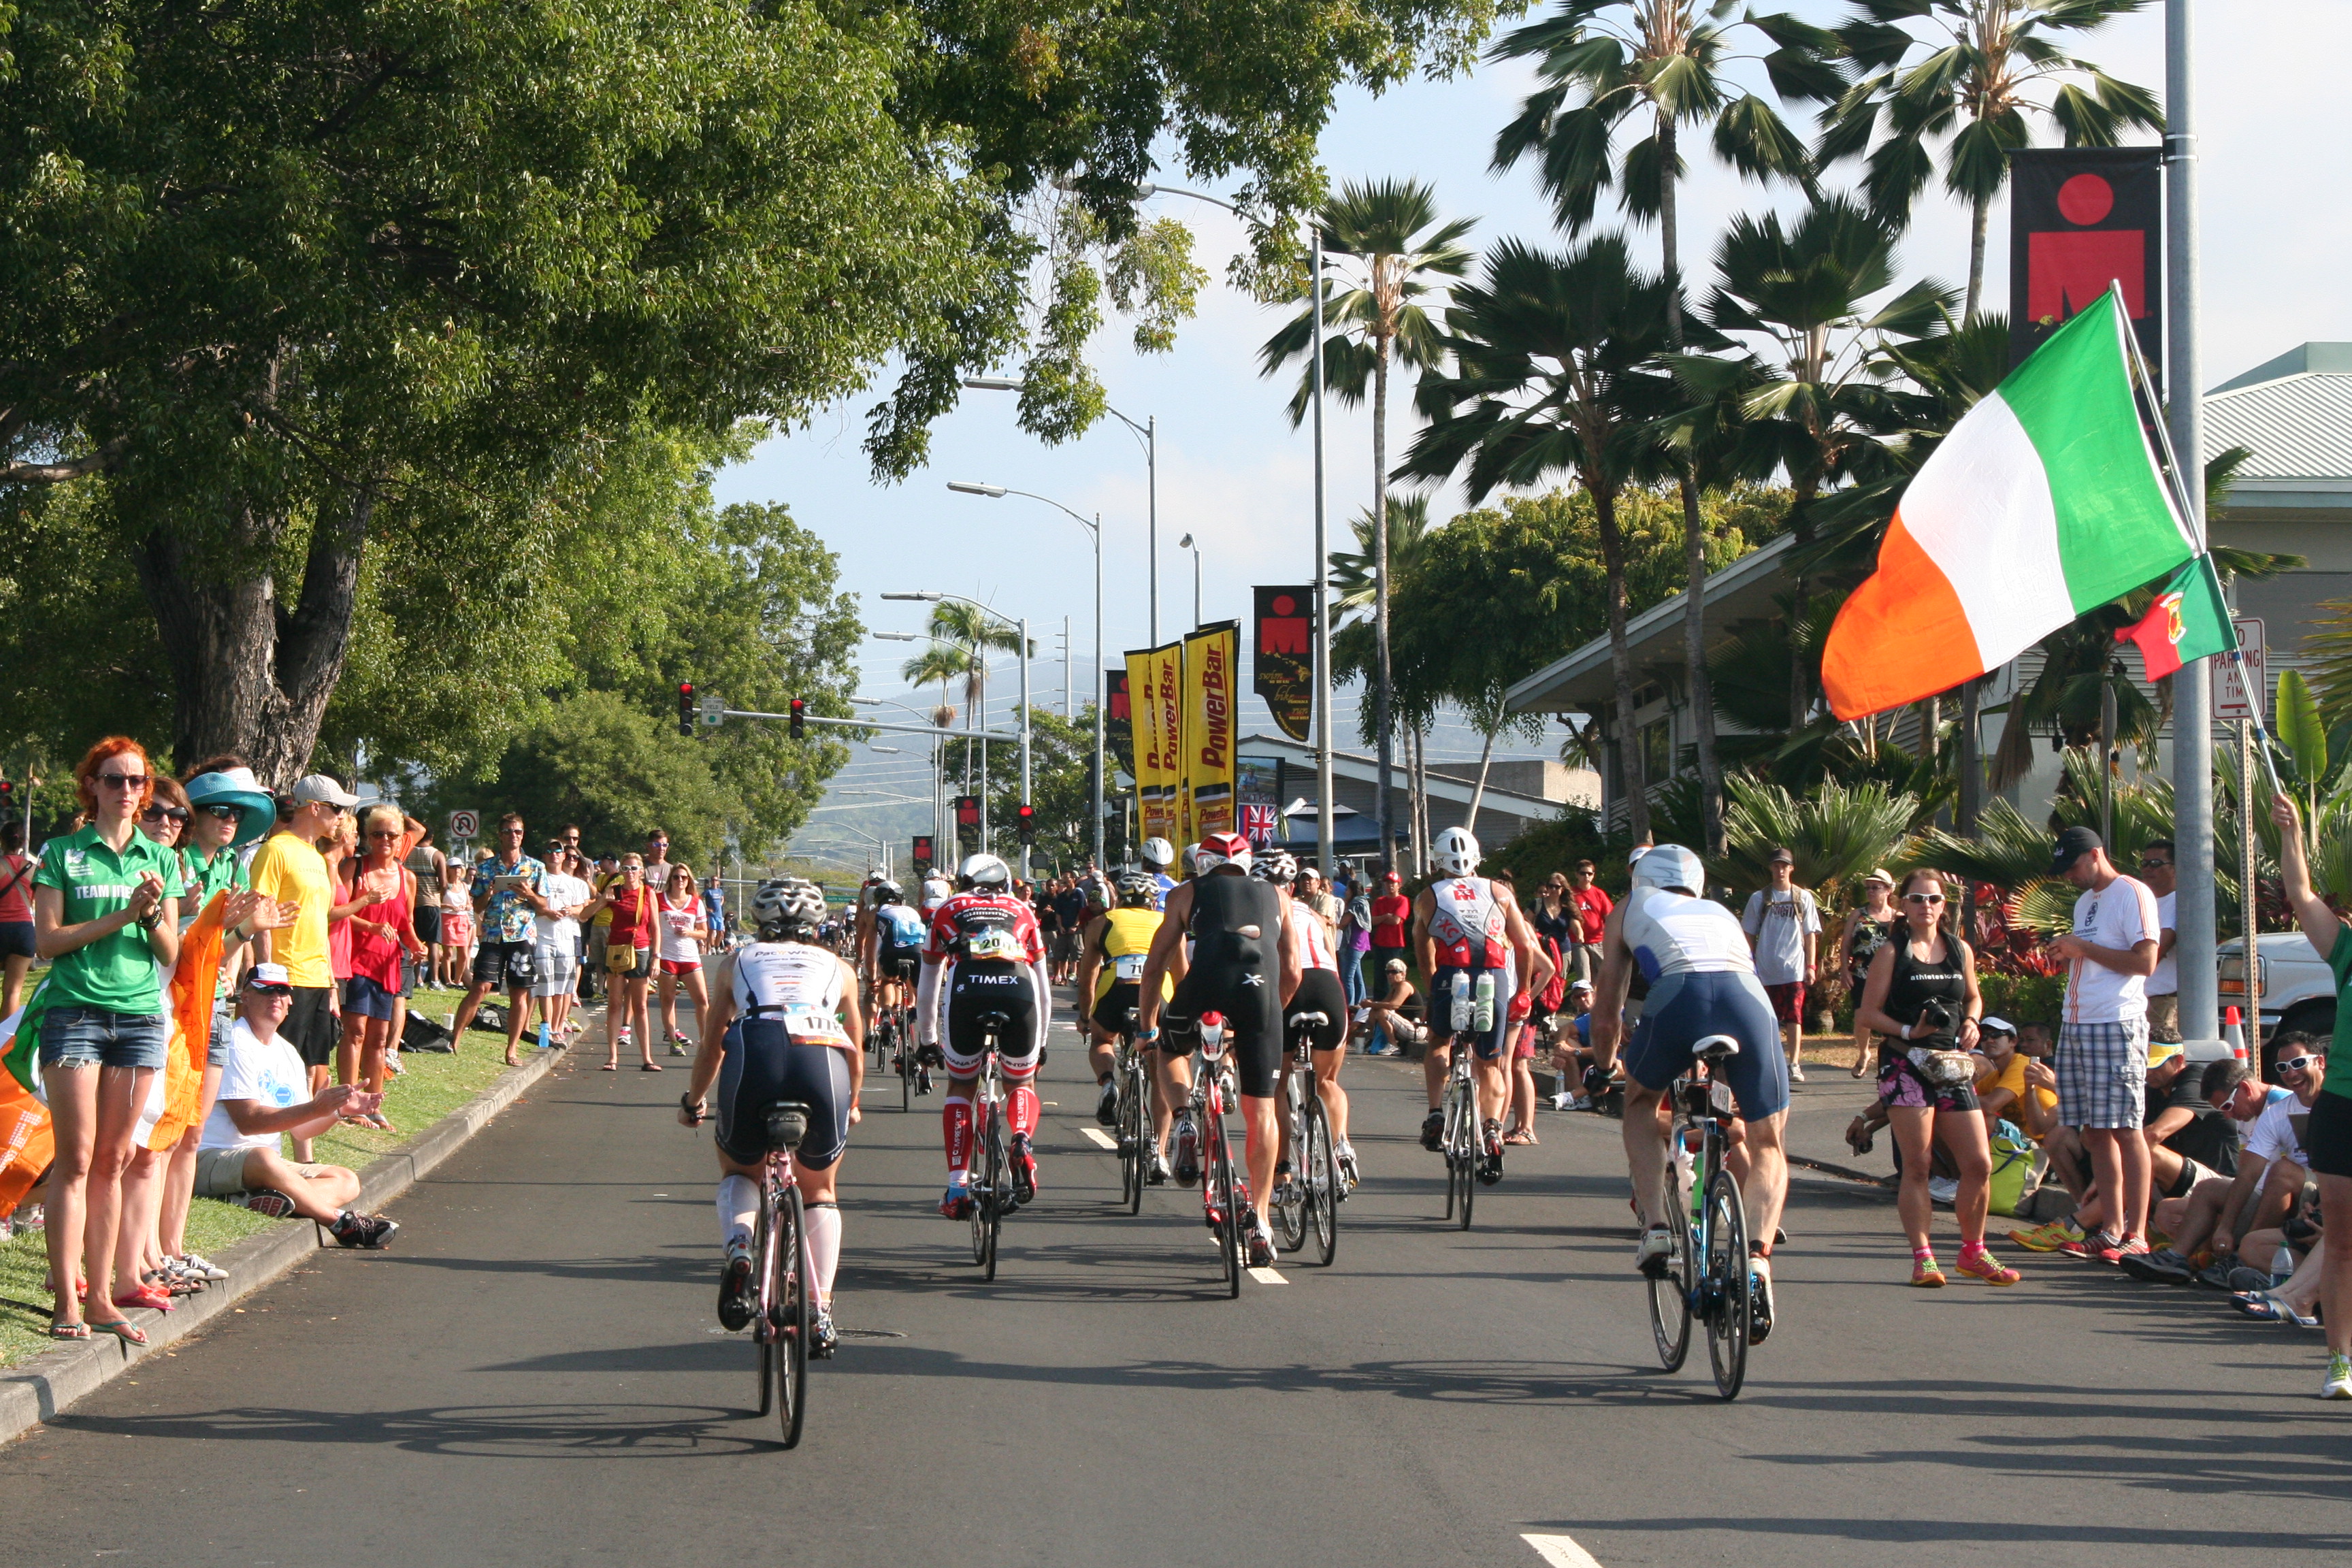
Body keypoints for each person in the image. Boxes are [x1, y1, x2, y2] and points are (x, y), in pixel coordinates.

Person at [1578, 843, 1790, 1340]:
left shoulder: (1629, 908)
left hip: (1679, 997)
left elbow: (1608, 1003)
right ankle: (1757, 1263)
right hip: (1748, 1003)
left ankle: (1654, 1227)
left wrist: (1606, 1066)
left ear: (1641, 879)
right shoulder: (1719, 911)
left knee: (1640, 1103)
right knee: (1768, 1143)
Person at [31, 737, 184, 1344]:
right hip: (76, 1015)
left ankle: (101, 1295)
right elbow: (47, 941)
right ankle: (67, 1297)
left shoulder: (160, 859)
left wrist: (150, 917)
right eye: (115, 780)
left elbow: (169, 950)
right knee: (75, 1159)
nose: (128, 791)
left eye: (138, 782)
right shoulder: (63, 854)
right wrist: (124, 915)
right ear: (91, 785)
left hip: (141, 1016)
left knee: (115, 1161)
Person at [681, 878, 863, 1359]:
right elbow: (857, 1049)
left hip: (754, 1049)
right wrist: (855, 1102)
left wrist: (693, 1101)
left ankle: (740, 1247)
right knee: (819, 1191)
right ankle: (819, 1309)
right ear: (816, 924)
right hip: (821, 1058)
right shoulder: (840, 968)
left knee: (740, 1168)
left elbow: (710, 1045)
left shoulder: (736, 961)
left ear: (760, 923)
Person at [157, 762, 290, 1288]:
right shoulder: (176, 864)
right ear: (196, 817)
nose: (229, 820)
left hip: (214, 1004)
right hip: (175, 1006)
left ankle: (173, 1247)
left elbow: (222, 950)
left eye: (237, 813)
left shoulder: (230, 870)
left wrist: (246, 936)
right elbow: (182, 951)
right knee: (160, 1138)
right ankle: (150, 1255)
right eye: (218, 811)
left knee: (190, 1135)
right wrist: (224, 931)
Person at [1855, 869, 2019, 1288]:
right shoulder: (1893, 951)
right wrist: (1911, 1032)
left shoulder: (1959, 949)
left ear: (1944, 905)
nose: (1925, 907)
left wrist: (1972, 1021)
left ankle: (1973, 1251)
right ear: (1903, 905)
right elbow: (1867, 1014)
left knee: (1979, 1164)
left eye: (1933, 900)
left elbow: (1974, 996)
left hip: (1950, 1066)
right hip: (1905, 1063)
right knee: (1918, 1166)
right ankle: (1924, 1257)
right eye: (1916, 899)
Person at [1137, 832, 1292, 1267]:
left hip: (1204, 986)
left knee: (1170, 1051)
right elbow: (1293, 968)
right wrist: (1263, 1022)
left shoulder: (1187, 892)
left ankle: (1185, 1118)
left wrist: (1147, 1026)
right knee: (1261, 1109)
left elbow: (1157, 964)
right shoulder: (1277, 895)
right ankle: (1261, 1220)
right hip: (1260, 995)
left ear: (1201, 863)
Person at [194, 964, 397, 1247]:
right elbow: (249, 1122)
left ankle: (259, 1200)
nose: (275, 997)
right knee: (264, 1156)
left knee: (346, 1179)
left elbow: (302, 1130)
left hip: (267, 1167)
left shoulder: (288, 1052)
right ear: (245, 998)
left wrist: (339, 1110)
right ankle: (339, 1222)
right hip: (212, 1158)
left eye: (282, 991)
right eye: (265, 990)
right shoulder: (235, 1042)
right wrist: (317, 1107)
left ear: (290, 1001)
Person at [2264, 792, 2352, 1399]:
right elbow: (2302, 895)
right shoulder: (2347, 949)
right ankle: (2341, 1361)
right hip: (2344, 1106)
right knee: (2343, 1241)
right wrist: (2292, 835)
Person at [2048, 824, 2161, 1265]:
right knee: (2095, 1132)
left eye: (2073, 865)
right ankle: (2110, 1229)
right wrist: (2068, 953)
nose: (2069, 876)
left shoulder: (2132, 892)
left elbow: (2145, 961)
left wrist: (2083, 950)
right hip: (2077, 1022)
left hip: (2116, 1022)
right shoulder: (2085, 901)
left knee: (2125, 1128)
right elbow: (2091, 954)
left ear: (2095, 855)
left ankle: (2137, 1233)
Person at [1411, 828, 1548, 1185]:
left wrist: (1431, 990)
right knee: (1491, 1062)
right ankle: (1491, 1128)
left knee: (1440, 1042)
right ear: (1477, 857)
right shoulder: (1500, 891)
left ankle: (1436, 1112)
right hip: (1494, 977)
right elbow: (1525, 946)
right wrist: (1522, 992)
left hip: (1450, 974)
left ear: (1438, 860)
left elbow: (1423, 951)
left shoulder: (1428, 896)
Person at [917, 853, 1050, 1220]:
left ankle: (958, 1186)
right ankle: (1021, 1137)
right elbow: (1042, 985)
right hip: (1018, 989)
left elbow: (928, 983)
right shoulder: (1022, 910)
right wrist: (1040, 1043)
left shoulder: (946, 909)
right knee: (1021, 1081)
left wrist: (926, 1039)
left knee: (961, 1086)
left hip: (966, 991)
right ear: (1006, 882)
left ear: (961, 882)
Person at [248, 774, 360, 1163]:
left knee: (307, 1071)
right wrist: (267, 975)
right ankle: (268, 1152)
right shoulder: (275, 850)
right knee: (280, 1068)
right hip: (286, 975)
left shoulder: (316, 857)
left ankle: (305, 1160)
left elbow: (318, 922)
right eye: (337, 809)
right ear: (314, 808)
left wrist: (330, 983)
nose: (340, 818)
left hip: (316, 975)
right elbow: (261, 913)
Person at [1076, 870, 1175, 1179]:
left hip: (1115, 987)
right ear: (1153, 900)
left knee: (1102, 1040)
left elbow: (1086, 976)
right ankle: (1159, 1151)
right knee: (1161, 1071)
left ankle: (1107, 1082)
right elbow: (1184, 974)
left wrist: (1084, 1015)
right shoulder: (1166, 921)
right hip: (1159, 992)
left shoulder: (1101, 922)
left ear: (1117, 897)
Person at [1269, 849, 1358, 1195]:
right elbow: (1333, 960)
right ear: (1292, 887)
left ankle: (1282, 1171)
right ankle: (1342, 1146)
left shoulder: (1261, 911)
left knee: (1276, 1085)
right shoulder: (1313, 912)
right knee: (1329, 1081)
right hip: (1327, 987)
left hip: (1290, 987)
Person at [336, 804, 425, 1114]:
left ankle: (372, 1104)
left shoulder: (407, 877)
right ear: (367, 837)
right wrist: (372, 927)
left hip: (388, 963)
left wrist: (416, 945)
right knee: (356, 1031)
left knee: (379, 1037)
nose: (385, 840)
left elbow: (406, 923)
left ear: (402, 839)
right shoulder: (354, 868)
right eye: (378, 834)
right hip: (357, 960)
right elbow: (339, 914)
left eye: (392, 834)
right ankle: (348, 1101)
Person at [451, 814, 549, 1066]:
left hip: (521, 935)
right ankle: (454, 1040)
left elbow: (544, 905)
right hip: (494, 934)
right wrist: (491, 891)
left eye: (517, 831)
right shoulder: (486, 868)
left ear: (523, 834)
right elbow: (477, 905)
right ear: (500, 835)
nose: (513, 836)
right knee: (480, 987)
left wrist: (528, 894)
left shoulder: (535, 867)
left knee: (519, 993)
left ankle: (512, 1049)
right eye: (507, 831)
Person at [1740, 848, 1820, 1085]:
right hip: (1766, 970)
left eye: (1784, 866)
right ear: (1771, 868)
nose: (1780, 870)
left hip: (1794, 968)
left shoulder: (1803, 897)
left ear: (1791, 869)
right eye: (1776, 866)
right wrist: (1749, 962)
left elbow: (1810, 934)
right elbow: (1749, 933)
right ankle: (1772, 1062)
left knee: (1795, 1016)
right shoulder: (1759, 898)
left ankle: (1794, 1063)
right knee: (1769, 1019)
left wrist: (1811, 966)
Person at [581, 853, 660, 1071]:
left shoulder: (648, 893)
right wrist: (603, 899)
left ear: (641, 871)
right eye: (625, 869)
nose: (630, 873)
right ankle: (613, 1057)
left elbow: (655, 927)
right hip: (616, 950)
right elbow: (584, 915)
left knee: (640, 1005)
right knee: (615, 1003)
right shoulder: (615, 892)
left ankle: (647, 1058)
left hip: (641, 949)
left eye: (634, 869)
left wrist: (657, 957)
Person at [1837, 869, 1899, 1079]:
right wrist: (1845, 969)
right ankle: (1864, 1052)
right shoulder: (1858, 914)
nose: (1871, 891)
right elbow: (1846, 945)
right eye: (1868, 888)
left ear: (1888, 890)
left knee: (1890, 1017)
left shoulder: (1899, 917)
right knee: (1861, 1017)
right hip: (1862, 974)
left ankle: (1888, 1058)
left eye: (1876, 887)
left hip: (1891, 976)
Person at [532, 844, 593, 1047]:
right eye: (549, 852)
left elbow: (583, 911)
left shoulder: (575, 883)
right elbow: (530, 904)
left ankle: (558, 1026)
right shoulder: (537, 878)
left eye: (557, 852)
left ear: (564, 856)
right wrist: (546, 911)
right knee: (545, 987)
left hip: (567, 939)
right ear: (543, 856)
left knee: (563, 988)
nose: (553, 855)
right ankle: (547, 1027)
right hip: (543, 938)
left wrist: (571, 909)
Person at [655, 862, 710, 1057]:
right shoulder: (659, 899)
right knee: (668, 999)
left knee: (702, 1000)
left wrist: (690, 932)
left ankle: (705, 1041)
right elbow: (651, 926)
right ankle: (673, 1040)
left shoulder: (696, 902)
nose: (680, 881)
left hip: (689, 956)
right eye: (676, 877)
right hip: (667, 955)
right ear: (670, 880)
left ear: (689, 881)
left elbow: (704, 933)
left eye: (684, 878)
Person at [0, 820, 37, 1018]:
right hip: (23, 931)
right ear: (23, 842)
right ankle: (5, 1044)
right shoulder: (33, 868)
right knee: (13, 991)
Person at [405, 830, 448, 998]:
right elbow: (443, 883)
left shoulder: (409, 853)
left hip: (413, 902)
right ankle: (435, 980)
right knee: (433, 942)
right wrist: (441, 895)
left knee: (415, 941)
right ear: (432, 837)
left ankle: (417, 979)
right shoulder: (436, 854)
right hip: (431, 902)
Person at [1563, 860, 1612, 987]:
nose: (1587, 877)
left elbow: (1609, 917)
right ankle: (1586, 1005)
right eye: (1583, 873)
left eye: (1590, 874)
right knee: (1585, 980)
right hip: (1579, 943)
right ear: (1577, 875)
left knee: (1604, 979)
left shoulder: (1599, 894)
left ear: (1593, 875)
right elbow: (1571, 917)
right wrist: (1579, 932)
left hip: (1598, 942)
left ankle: (1601, 1005)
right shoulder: (1571, 894)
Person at [1357, 958, 1418, 1056]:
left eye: (1394, 972)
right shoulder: (1395, 987)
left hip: (1414, 1027)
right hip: (1402, 1025)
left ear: (1403, 974)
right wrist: (1370, 1004)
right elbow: (1383, 1004)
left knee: (1383, 1013)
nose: (1390, 975)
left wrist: (1370, 1004)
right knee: (1374, 1011)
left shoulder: (1404, 985)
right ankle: (1375, 1040)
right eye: (1388, 972)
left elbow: (1393, 1005)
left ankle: (1394, 1045)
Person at [439, 863, 476, 988]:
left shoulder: (464, 885)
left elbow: (469, 904)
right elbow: (437, 903)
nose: (457, 870)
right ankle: (448, 981)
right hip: (447, 918)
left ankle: (458, 980)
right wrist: (450, 907)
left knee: (464, 953)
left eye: (459, 867)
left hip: (462, 918)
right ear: (448, 869)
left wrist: (466, 907)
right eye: (454, 867)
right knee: (448, 952)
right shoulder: (444, 886)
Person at [1368, 868, 1411, 973]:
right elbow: (1372, 921)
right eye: (1387, 883)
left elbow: (1396, 921)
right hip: (1379, 943)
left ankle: (1396, 990)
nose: (1390, 885)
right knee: (1380, 974)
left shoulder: (1402, 900)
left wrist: (1381, 919)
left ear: (1399, 885)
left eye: (1393, 883)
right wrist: (1386, 916)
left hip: (1395, 944)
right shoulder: (1379, 901)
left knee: (1394, 973)